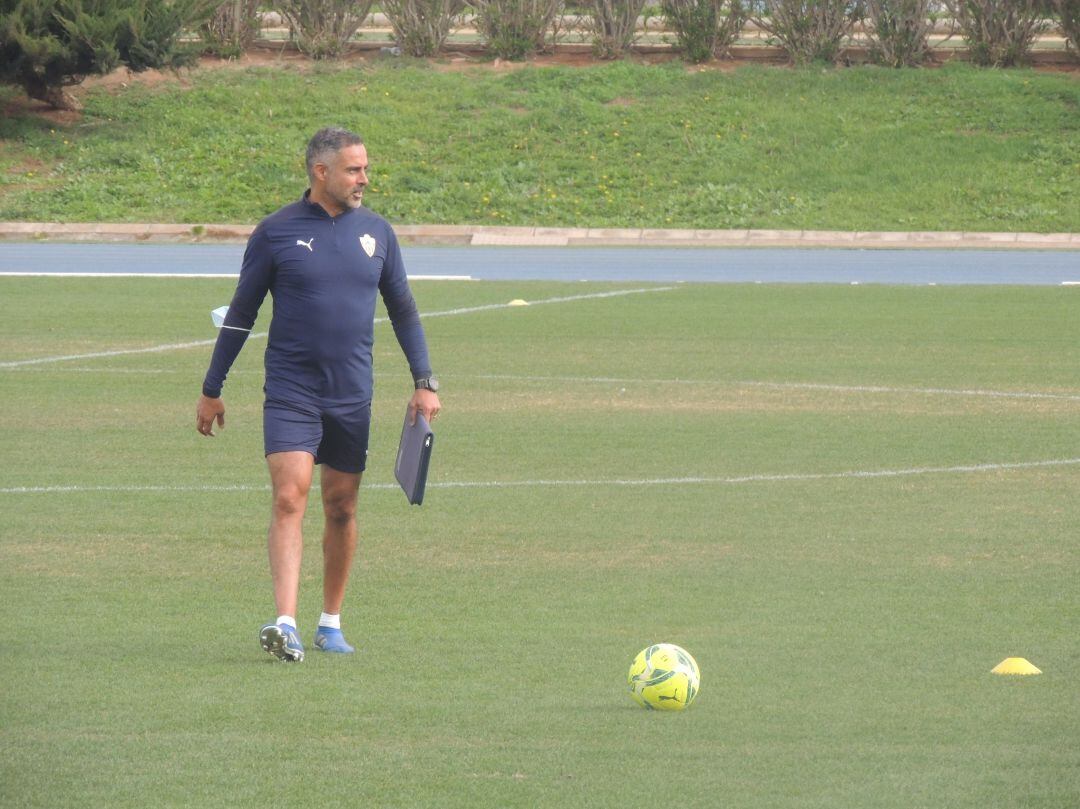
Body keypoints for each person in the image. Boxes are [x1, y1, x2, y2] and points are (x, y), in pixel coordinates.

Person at [195, 126, 441, 662]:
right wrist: (212, 388)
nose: (364, 179)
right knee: (290, 496)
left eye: (365, 168)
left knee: (342, 505)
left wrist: (424, 383)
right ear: (320, 171)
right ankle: (285, 623)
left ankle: (330, 621)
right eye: (354, 170)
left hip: (352, 394)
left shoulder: (378, 233)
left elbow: (403, 309)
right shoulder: (276, 232)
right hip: (291, 390)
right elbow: (241, 313)